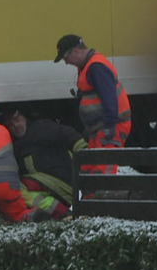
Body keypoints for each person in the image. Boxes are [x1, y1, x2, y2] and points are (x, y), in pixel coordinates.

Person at [55, 35, 132, 175]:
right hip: (101, 127)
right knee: (90, 167)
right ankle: (92, 195)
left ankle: (102, 194)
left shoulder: (96, 67)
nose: (67, 63)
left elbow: (109, 98)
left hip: (111, 126)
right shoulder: (90, 66)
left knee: (103, 169)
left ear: (75, 52)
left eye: (66, 59)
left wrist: (109, 126)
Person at [2, 110, 86, 219]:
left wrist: (87, 156)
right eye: (11, 125)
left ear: (25, 118)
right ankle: (61, 213)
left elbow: (68, 135)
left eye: (17, 120)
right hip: (49, 188)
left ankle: (64, 213)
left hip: (63, 180)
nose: (16, 126)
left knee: (16, 188)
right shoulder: (16, 147)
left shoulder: (41, 129)